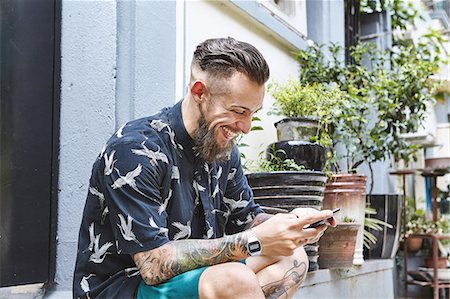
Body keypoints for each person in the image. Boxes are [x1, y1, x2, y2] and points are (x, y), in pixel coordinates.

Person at [73, 37, 336, 299]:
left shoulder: (222, 148)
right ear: (200, 92)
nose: (245, 126)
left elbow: (246, 218)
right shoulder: (134, 149)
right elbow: (153, 265)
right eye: (238, 111)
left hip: (191, 278)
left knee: (293, 257)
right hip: (124, 287)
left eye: (252, 113)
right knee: (234, 279)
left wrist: (290, 224)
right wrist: (255, 240)